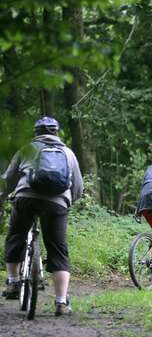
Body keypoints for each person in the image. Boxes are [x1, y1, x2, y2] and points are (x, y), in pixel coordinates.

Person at [0, 116, 83, 316]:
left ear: (36, 133)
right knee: (58, 250)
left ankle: (12, 283)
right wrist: (67, 201)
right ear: (57, 132)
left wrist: (2, 197)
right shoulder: (68, 153)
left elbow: (9, 179)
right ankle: (61, 302)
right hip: (57, 204)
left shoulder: (26, 150)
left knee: (16, 236)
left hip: (26, 199)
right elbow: (78, 186)